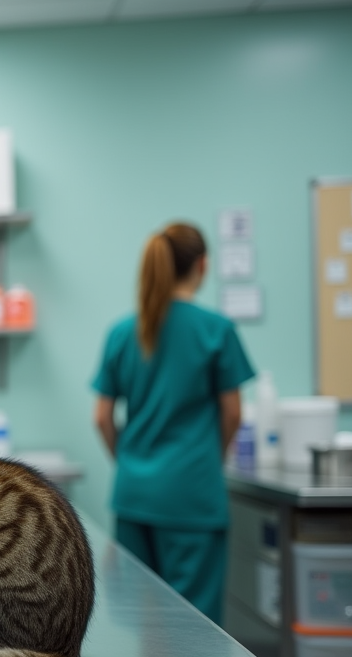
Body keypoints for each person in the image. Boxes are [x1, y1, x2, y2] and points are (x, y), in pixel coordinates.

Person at [92, 222, 255, 624]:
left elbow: (101, 418)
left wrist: (129, 461)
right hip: (192, 495)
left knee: (139, 621)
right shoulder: (216, 330)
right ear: (202, 265)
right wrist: (207, 459)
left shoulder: (122, 332)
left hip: (134, 494)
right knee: (194, 630)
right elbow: (233, 412)